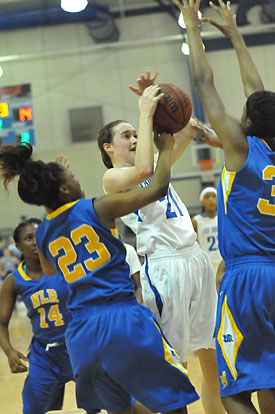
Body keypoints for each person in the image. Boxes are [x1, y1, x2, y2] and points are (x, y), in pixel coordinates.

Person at [0, 86, 200, 414]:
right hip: (122, 316)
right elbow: (158, 186)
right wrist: (164, 148)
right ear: (65, 187)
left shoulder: (45, 232)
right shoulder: (97, 208)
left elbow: (52, 273)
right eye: (73, 176)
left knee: (119, 408)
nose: (80, 180)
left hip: (80, 332)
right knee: (170, 402)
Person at [98, 71, 225, 414]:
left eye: (137, 133)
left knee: (213, 360)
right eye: (127, 135)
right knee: (170, 366)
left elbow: (184, 131)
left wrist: (159, 106)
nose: (135, 137)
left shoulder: (157, 166)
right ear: (109, 148)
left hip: (196, 259)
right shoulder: (113, 179)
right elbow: (142, 173)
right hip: (165, 268)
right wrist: (143, 112)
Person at [173, 0, 275, 413]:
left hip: (248, 278)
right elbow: (259, 92)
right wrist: (235, 35)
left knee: (232, 391)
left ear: (246, 123)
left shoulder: (240, 148)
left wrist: (193, 28)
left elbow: (203, 82)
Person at [0, 218, 88, 414]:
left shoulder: (66, 266)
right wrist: (9, 351)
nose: (35, 241)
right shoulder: (14, 281)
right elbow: (2, 323)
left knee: (106, 404)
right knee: (31, 409)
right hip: (45, 355)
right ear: (17, 245)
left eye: (39, 236)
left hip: (79, 348)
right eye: (28, 238)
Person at [192, 187, 222, 274]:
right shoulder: (196, 221)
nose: (211, 199)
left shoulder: (223, 217)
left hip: (222, 262)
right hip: (206, 263)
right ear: (202, 201)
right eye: (207, 197)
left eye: (213, 196)